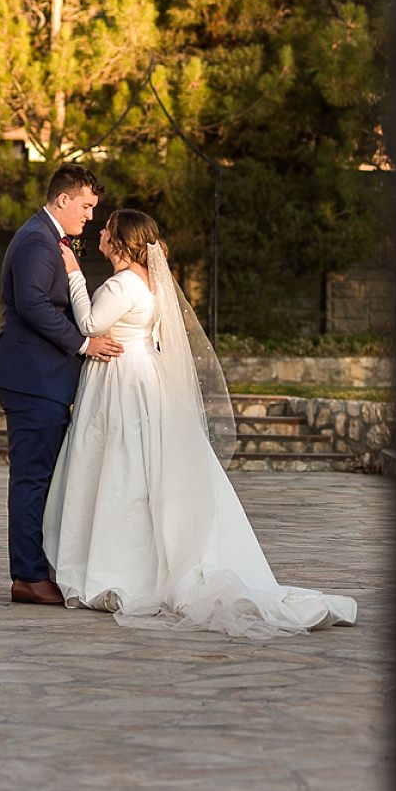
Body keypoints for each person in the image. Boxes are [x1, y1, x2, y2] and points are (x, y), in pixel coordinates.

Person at [45, 208, 359, 638]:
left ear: (121, 240)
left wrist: (74, 275)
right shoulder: (150, 282)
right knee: (132, 468)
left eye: (107, 228)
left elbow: (89, 323)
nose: (100, 232)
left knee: (120, 468)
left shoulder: (123, 283)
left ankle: (116, 564)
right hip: (137, 375)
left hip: (122, 379)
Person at [0, 165, 124, 606]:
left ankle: (38, 567)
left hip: (44, 377)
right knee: (32, 477)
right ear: (63, 199)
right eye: (86, 206)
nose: (89, 217)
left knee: (42, 477)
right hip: (32, 376)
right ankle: (27, 577)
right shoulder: (35, 240)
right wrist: (84, 342)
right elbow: (32, 304)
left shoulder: (47, 239)